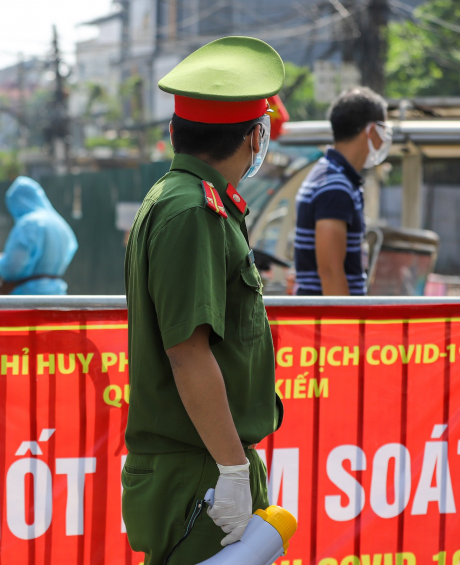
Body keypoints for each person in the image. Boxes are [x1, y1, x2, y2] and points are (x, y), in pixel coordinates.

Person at [122, 37, 285, 563]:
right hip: (202, 470)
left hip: (206, 462)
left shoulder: (185, 200)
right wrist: (234, 473)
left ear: (174, 132)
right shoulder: (193, 211)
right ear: (254, 137)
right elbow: (188, 351)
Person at [294, 87, 390, 295]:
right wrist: (346, 326)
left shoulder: (330, 174)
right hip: (329, 321)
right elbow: (330, 271)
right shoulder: (335, 186)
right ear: (371, 131)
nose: (384, 140)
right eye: (383, 131)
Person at [0, 176, 78, 294]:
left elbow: (13, 267)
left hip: (28, 295)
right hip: (57, 294)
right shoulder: (59, 223)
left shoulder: (29, 223)